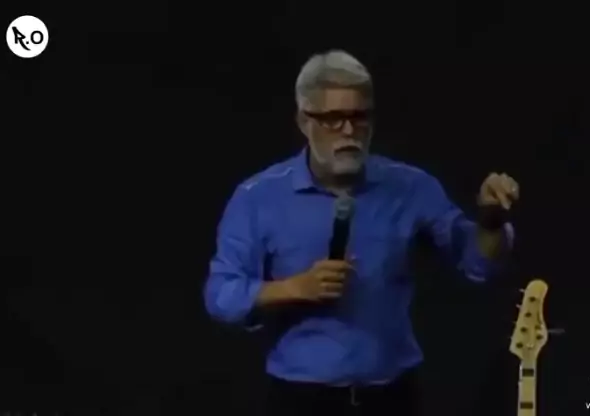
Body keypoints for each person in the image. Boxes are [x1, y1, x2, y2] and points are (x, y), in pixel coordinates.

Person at [203, 50, 519, 416]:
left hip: (391, 397)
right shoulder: (257, 198)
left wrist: (490, 223)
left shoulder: (410, 187)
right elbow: (221, 295)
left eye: (359, 117)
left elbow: (479, 263)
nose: (349, 131)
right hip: (301, 399)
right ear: (304, 120)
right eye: (333, 119)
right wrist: (291, 288)